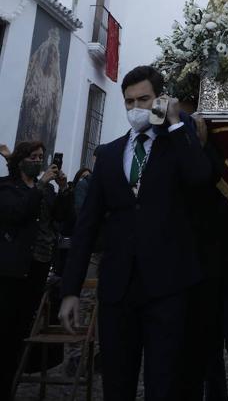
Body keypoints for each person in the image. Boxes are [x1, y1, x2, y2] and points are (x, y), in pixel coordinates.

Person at [59, 65, 213, 401]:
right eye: (129, 102)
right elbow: (87, 225)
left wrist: (174, 122)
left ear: (160, 98)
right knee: (117, 383)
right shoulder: (109, 154)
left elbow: (201, 179)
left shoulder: (177, 145)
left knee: (165, 383)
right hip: (118, 290)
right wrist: (70, 290)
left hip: (168, 288)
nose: (135, 108)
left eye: (144, 99)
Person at [0, 140, 73, 401]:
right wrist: (41, 184)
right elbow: (17, 213)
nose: (38, 160)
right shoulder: (7, 187)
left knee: (21, 331)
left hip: (39, 266)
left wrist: (64, 189)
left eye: (41, 156)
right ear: (20, 160)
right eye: (33, 156)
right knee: (5, 329)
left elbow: (62, 217)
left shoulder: (46, 191)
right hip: (11, 269)